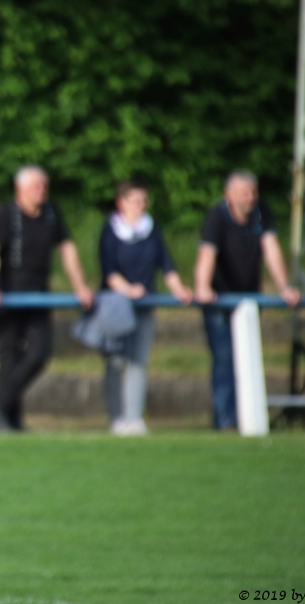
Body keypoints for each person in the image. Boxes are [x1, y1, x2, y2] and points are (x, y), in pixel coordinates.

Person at [0, 165, 94, 432]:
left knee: (39, 353)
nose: (41, 191)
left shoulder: (51, 213)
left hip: (39, 294)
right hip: (10, 295)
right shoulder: (8, 214)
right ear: (20, 189)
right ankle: (10, 419)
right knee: (9, 357)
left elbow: (67, 249)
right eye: (35, 186)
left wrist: (80, 286)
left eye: (44, 186)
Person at [194, 170, 299, 430]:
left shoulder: (261, 212)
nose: (250, 197)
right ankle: (225, 419)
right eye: (244, 193)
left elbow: (271, 248)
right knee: (224, 359)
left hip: (248, 298)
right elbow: (207, 253)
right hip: (220, 301)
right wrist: (202, 287)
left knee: (247, 359)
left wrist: (284, 286)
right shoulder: (217, 216)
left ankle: (247, 417)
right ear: (228, 195)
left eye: (253, 192)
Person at [98, 180, 193, 436]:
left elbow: (167, 264)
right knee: (116, 361)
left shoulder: (151, 229)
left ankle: (134, 417)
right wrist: (129, 290)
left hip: (144, 307)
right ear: (121, 203)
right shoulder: (110, 230)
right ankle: (117, 417)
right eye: (134, 200)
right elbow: (109, 271)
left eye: (143, 200)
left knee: (138, 361)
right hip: (116, 308)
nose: (140, 205)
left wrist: (179, 289)